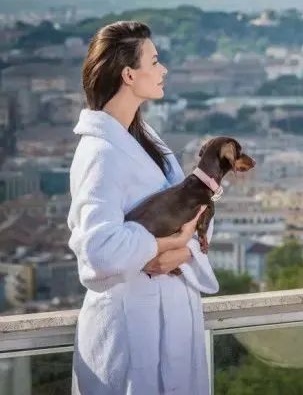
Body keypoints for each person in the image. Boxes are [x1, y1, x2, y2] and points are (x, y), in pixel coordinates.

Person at [68, 20, 218, 394]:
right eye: (155, 61)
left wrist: (180, 249)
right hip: (130, 326)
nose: (164, 69)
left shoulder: (150, 142)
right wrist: (163, 246)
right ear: (129, 75)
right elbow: (98, 252)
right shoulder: (99, 153)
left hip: (172, 319)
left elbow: (191, 214)